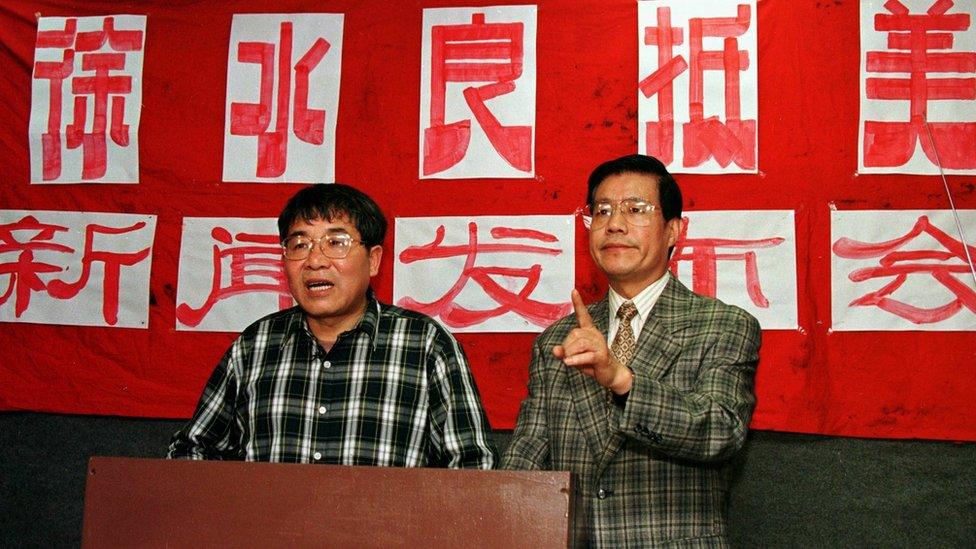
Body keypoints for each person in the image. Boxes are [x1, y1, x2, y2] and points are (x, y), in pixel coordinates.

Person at [502, 154, 761, 546]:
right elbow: (525, 461)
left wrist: (622, 380)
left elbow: (719, 431)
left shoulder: (723, 325)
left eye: (636, 209)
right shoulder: (558, 340)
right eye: (602, 210)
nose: (615, 224)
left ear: (674, 230)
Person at [169, 183, 497, 468]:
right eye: (300, 245)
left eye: (335, 242)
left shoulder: (425, 345)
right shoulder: (255, 346)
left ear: (373, 260)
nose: (315, 260)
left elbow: (474, 465)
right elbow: (191, 450)